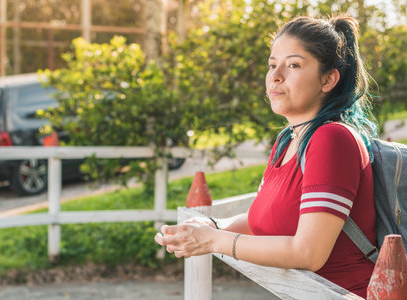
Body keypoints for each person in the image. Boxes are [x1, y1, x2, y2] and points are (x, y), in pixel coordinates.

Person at [155, 15, 378, 298]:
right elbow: (260, 219)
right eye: (273, 64)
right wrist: (213, 226)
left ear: (328, 79)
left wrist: (214, 240)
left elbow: (309, 253)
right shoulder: (288, 140)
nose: (276, 75)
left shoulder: (332, 139)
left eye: (293, 65)